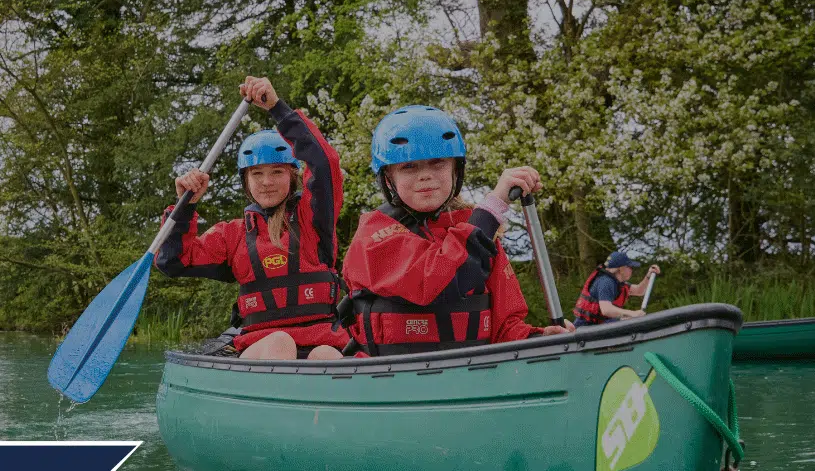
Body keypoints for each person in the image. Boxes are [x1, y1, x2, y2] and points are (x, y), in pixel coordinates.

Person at [339, 105, 570, 355]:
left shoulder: (476, 233)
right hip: (388, 379)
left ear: (455, 170)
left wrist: (536, 338)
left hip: (469, 376)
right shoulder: (374, 235)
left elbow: (504, 329)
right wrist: (493, 206)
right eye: (409, 166)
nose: (425, 176)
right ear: (388, 178)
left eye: (437, 163)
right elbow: (437, 282)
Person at [154, 76, 351, 360]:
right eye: (257, 174)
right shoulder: (231, 235)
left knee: (327, 356)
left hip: (321, 339)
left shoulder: (313, 217)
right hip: (260, 347)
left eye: (276, 172)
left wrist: (277, 108)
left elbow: (324, 162)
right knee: (280, 342)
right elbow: (172, 262)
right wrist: (185, 207)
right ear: (246, 181)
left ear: (292, 176)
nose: (267, 182)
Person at [571, 251, 660, 327]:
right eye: (629, 267)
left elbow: (639, 291)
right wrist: (633, 313)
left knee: (629, 320)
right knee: (629, 319)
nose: (631, 270)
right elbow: (606, 310)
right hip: (586, 327)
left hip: (599, 325)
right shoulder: (606, 282)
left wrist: (648, 276)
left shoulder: (618, 283)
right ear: (621, 269)